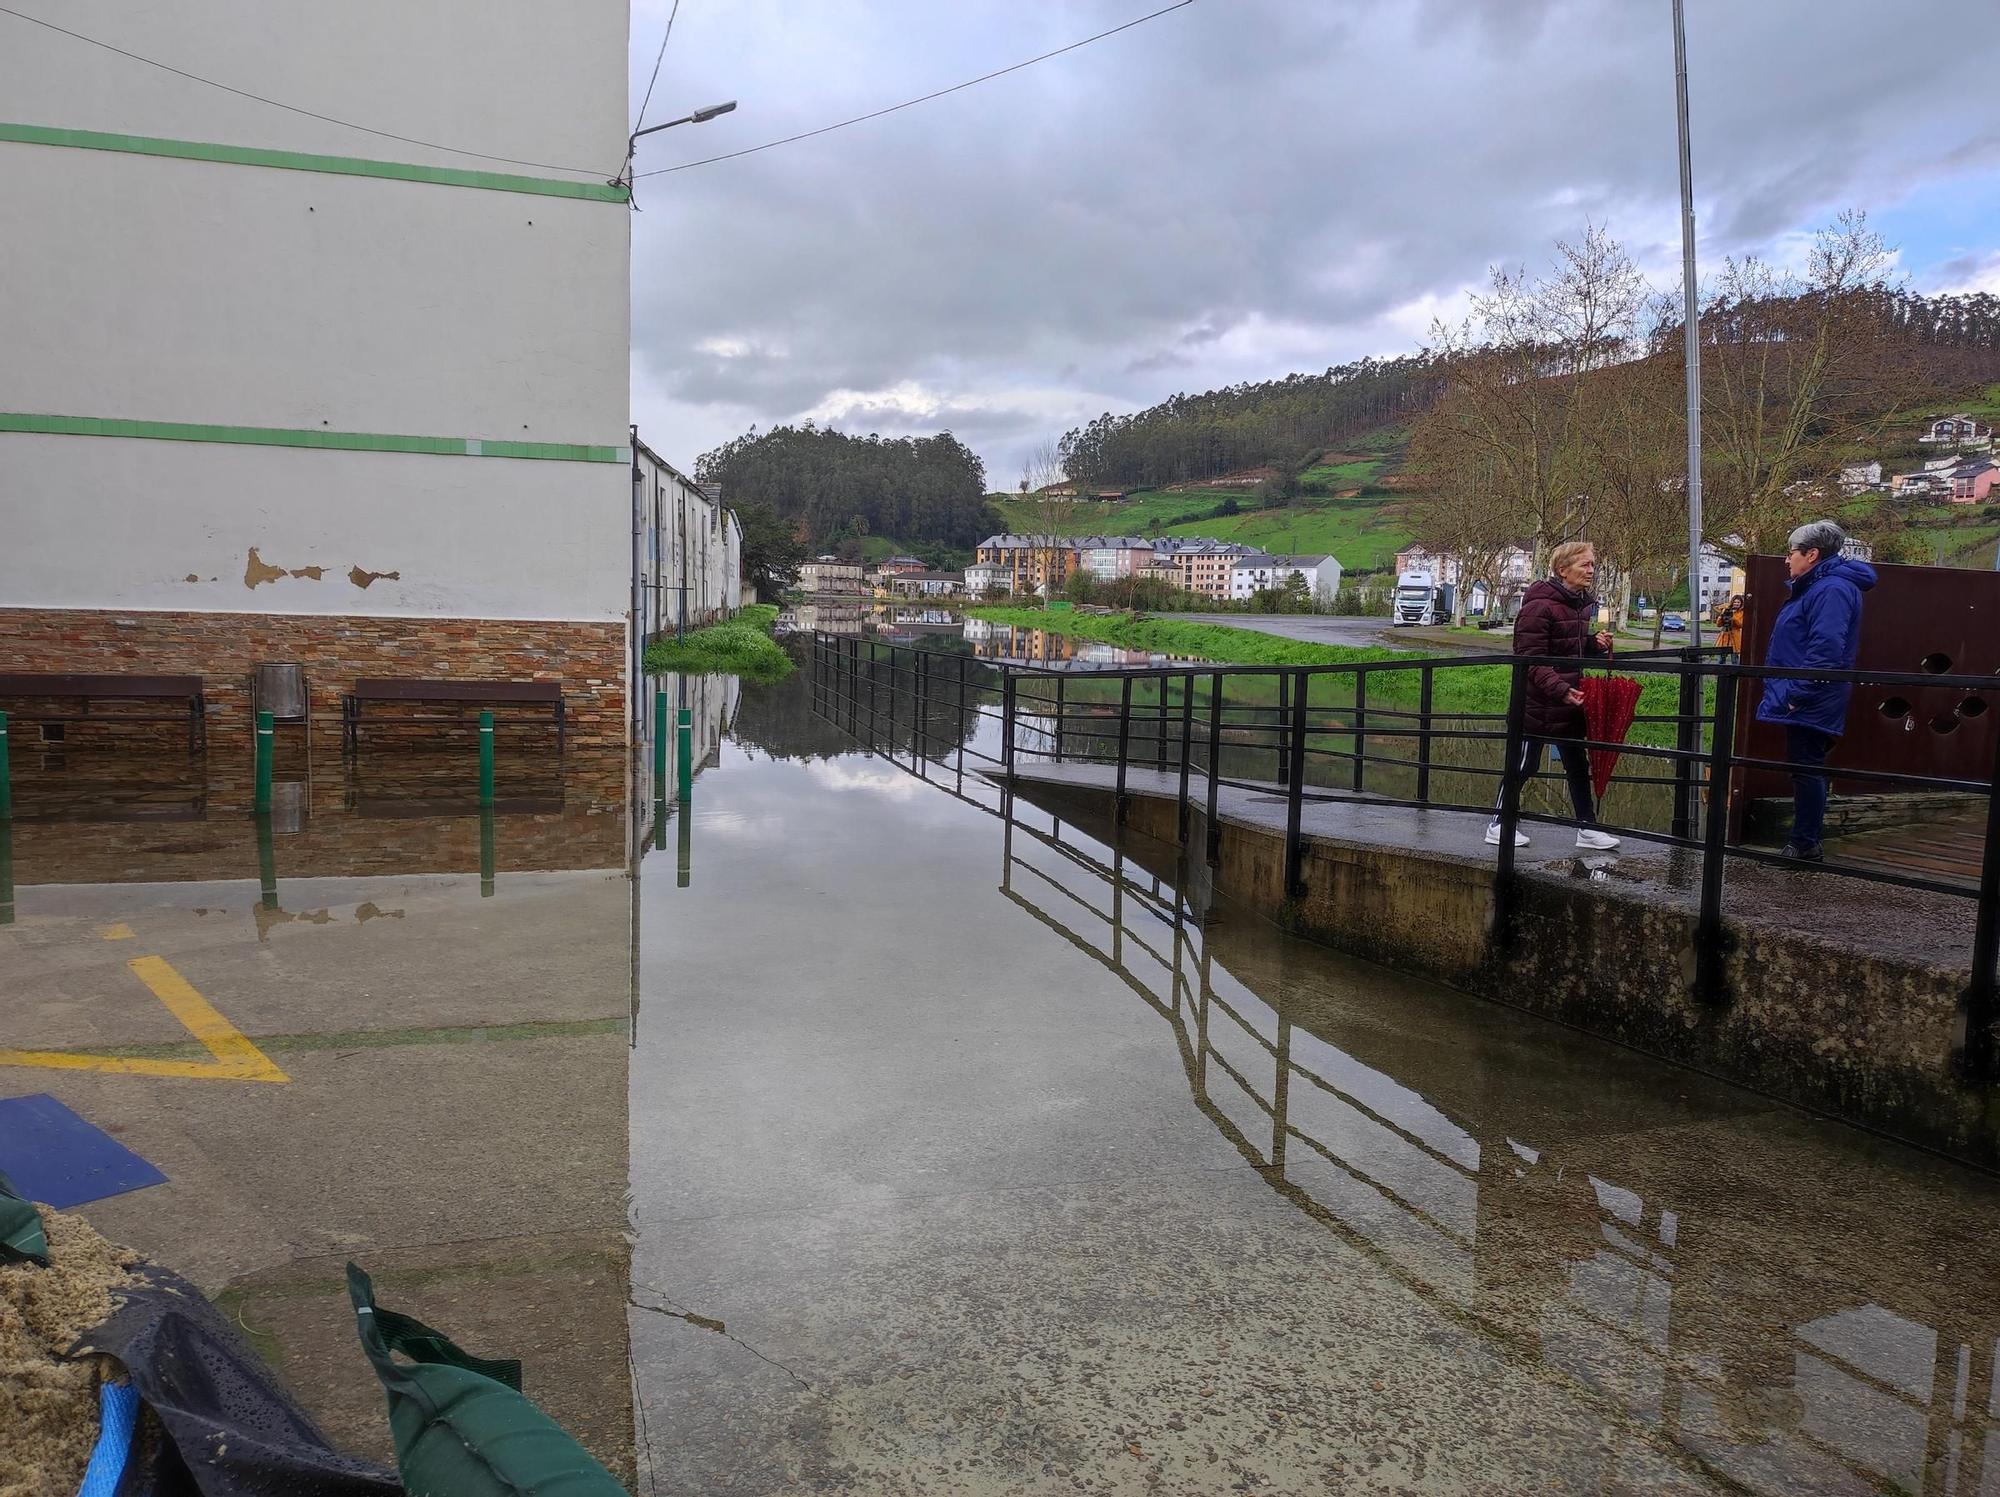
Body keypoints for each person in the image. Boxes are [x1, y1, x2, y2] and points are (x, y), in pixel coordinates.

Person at [1755, 519, 1876, 863]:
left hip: (1810, 698)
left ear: (1811, 554)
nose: (1786, 559)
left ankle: (1805, 843)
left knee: (1807, 767)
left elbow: (1826, 650)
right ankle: (1803, 841)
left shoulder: (1830, 589)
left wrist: (1797, 694)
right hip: (1807, 694)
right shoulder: (1819, 586)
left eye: (1791, 552)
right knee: (1804, 766)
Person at [1488, 540, 1621, 851]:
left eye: (1592, 564)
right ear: (1563, 570)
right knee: (1524, 764)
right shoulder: (1538, 605)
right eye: (1585, 565)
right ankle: (1498, 822)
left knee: (1577, 764)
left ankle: (1587, 828)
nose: (1592, 570)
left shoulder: (1579, 605)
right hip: (1537, 701)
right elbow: (1531, 658)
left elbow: (1566, 647)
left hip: (1568, 699)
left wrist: (1593, 644)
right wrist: (1561, 689)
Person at [1714, 594, 1745, 659]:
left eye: (1738, 602)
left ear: (1741, 603)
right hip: (1724, 636)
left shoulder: (1742, 613)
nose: (1736, 604)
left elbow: (1741, 625)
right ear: (1732, 602)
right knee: (1721, 659)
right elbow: (1718, 625)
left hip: (1735, 637)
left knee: (1734, 659)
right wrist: (1721, 616)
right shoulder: (1727, 610)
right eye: (1735, 602)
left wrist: (1733, 618)